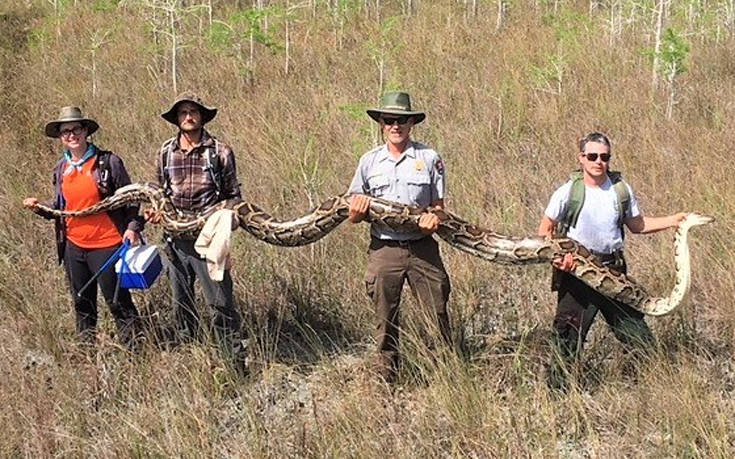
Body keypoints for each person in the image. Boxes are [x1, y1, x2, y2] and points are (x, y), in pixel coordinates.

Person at [538, 132, 687, 390]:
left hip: (613, 272)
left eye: (604, 157)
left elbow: (637, 225)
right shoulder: (567, 192)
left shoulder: (620, 190)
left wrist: (673, 220)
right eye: (593, 156)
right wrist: (560, 259)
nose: (599, 162)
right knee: (567, 339)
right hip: (578, 274)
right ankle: (559, 398)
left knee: (637, 335)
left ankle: (653, 387)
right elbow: (545, 230)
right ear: (581, 158)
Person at [348, 91, 452, 383]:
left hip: (422, 248)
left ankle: (445, 377)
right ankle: (386, 380)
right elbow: (352, 214)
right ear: (381, 124)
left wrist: (435, 218)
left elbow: (441, 209)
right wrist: (356, 210)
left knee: (437, 313)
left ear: (411, 124)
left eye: (402, 120)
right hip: (385, 248)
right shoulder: (369, 162)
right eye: (390, 120)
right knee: (385, 318)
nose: (396, 126)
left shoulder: (430, 158)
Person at [23, 106, 143, 348]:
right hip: (74, 247)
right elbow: (62, 207)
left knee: (117, 301)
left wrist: (132, 227)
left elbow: (132, 198)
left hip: (107, 245)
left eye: (76, 128)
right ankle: (86, 353)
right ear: (60, 137)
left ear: (86, 131)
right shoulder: (61, 169)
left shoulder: (108, 162)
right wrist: (40, 207)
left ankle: (137, 352)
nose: (71, 135)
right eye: (65, 131)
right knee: (82, 302)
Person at [145, 93, 246, 365]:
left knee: (220, 302)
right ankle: (190, 358)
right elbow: (157, 191)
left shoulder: (220, 151)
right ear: (177, 119)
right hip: (175, 240)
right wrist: (153, 211)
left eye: (193, 112)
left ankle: (233, 359)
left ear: (201, 116)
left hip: (209, 239)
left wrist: (223, 220)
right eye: (183, 113)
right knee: (182, 302)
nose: (188, 117)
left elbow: (234, 196)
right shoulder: (165, 151)